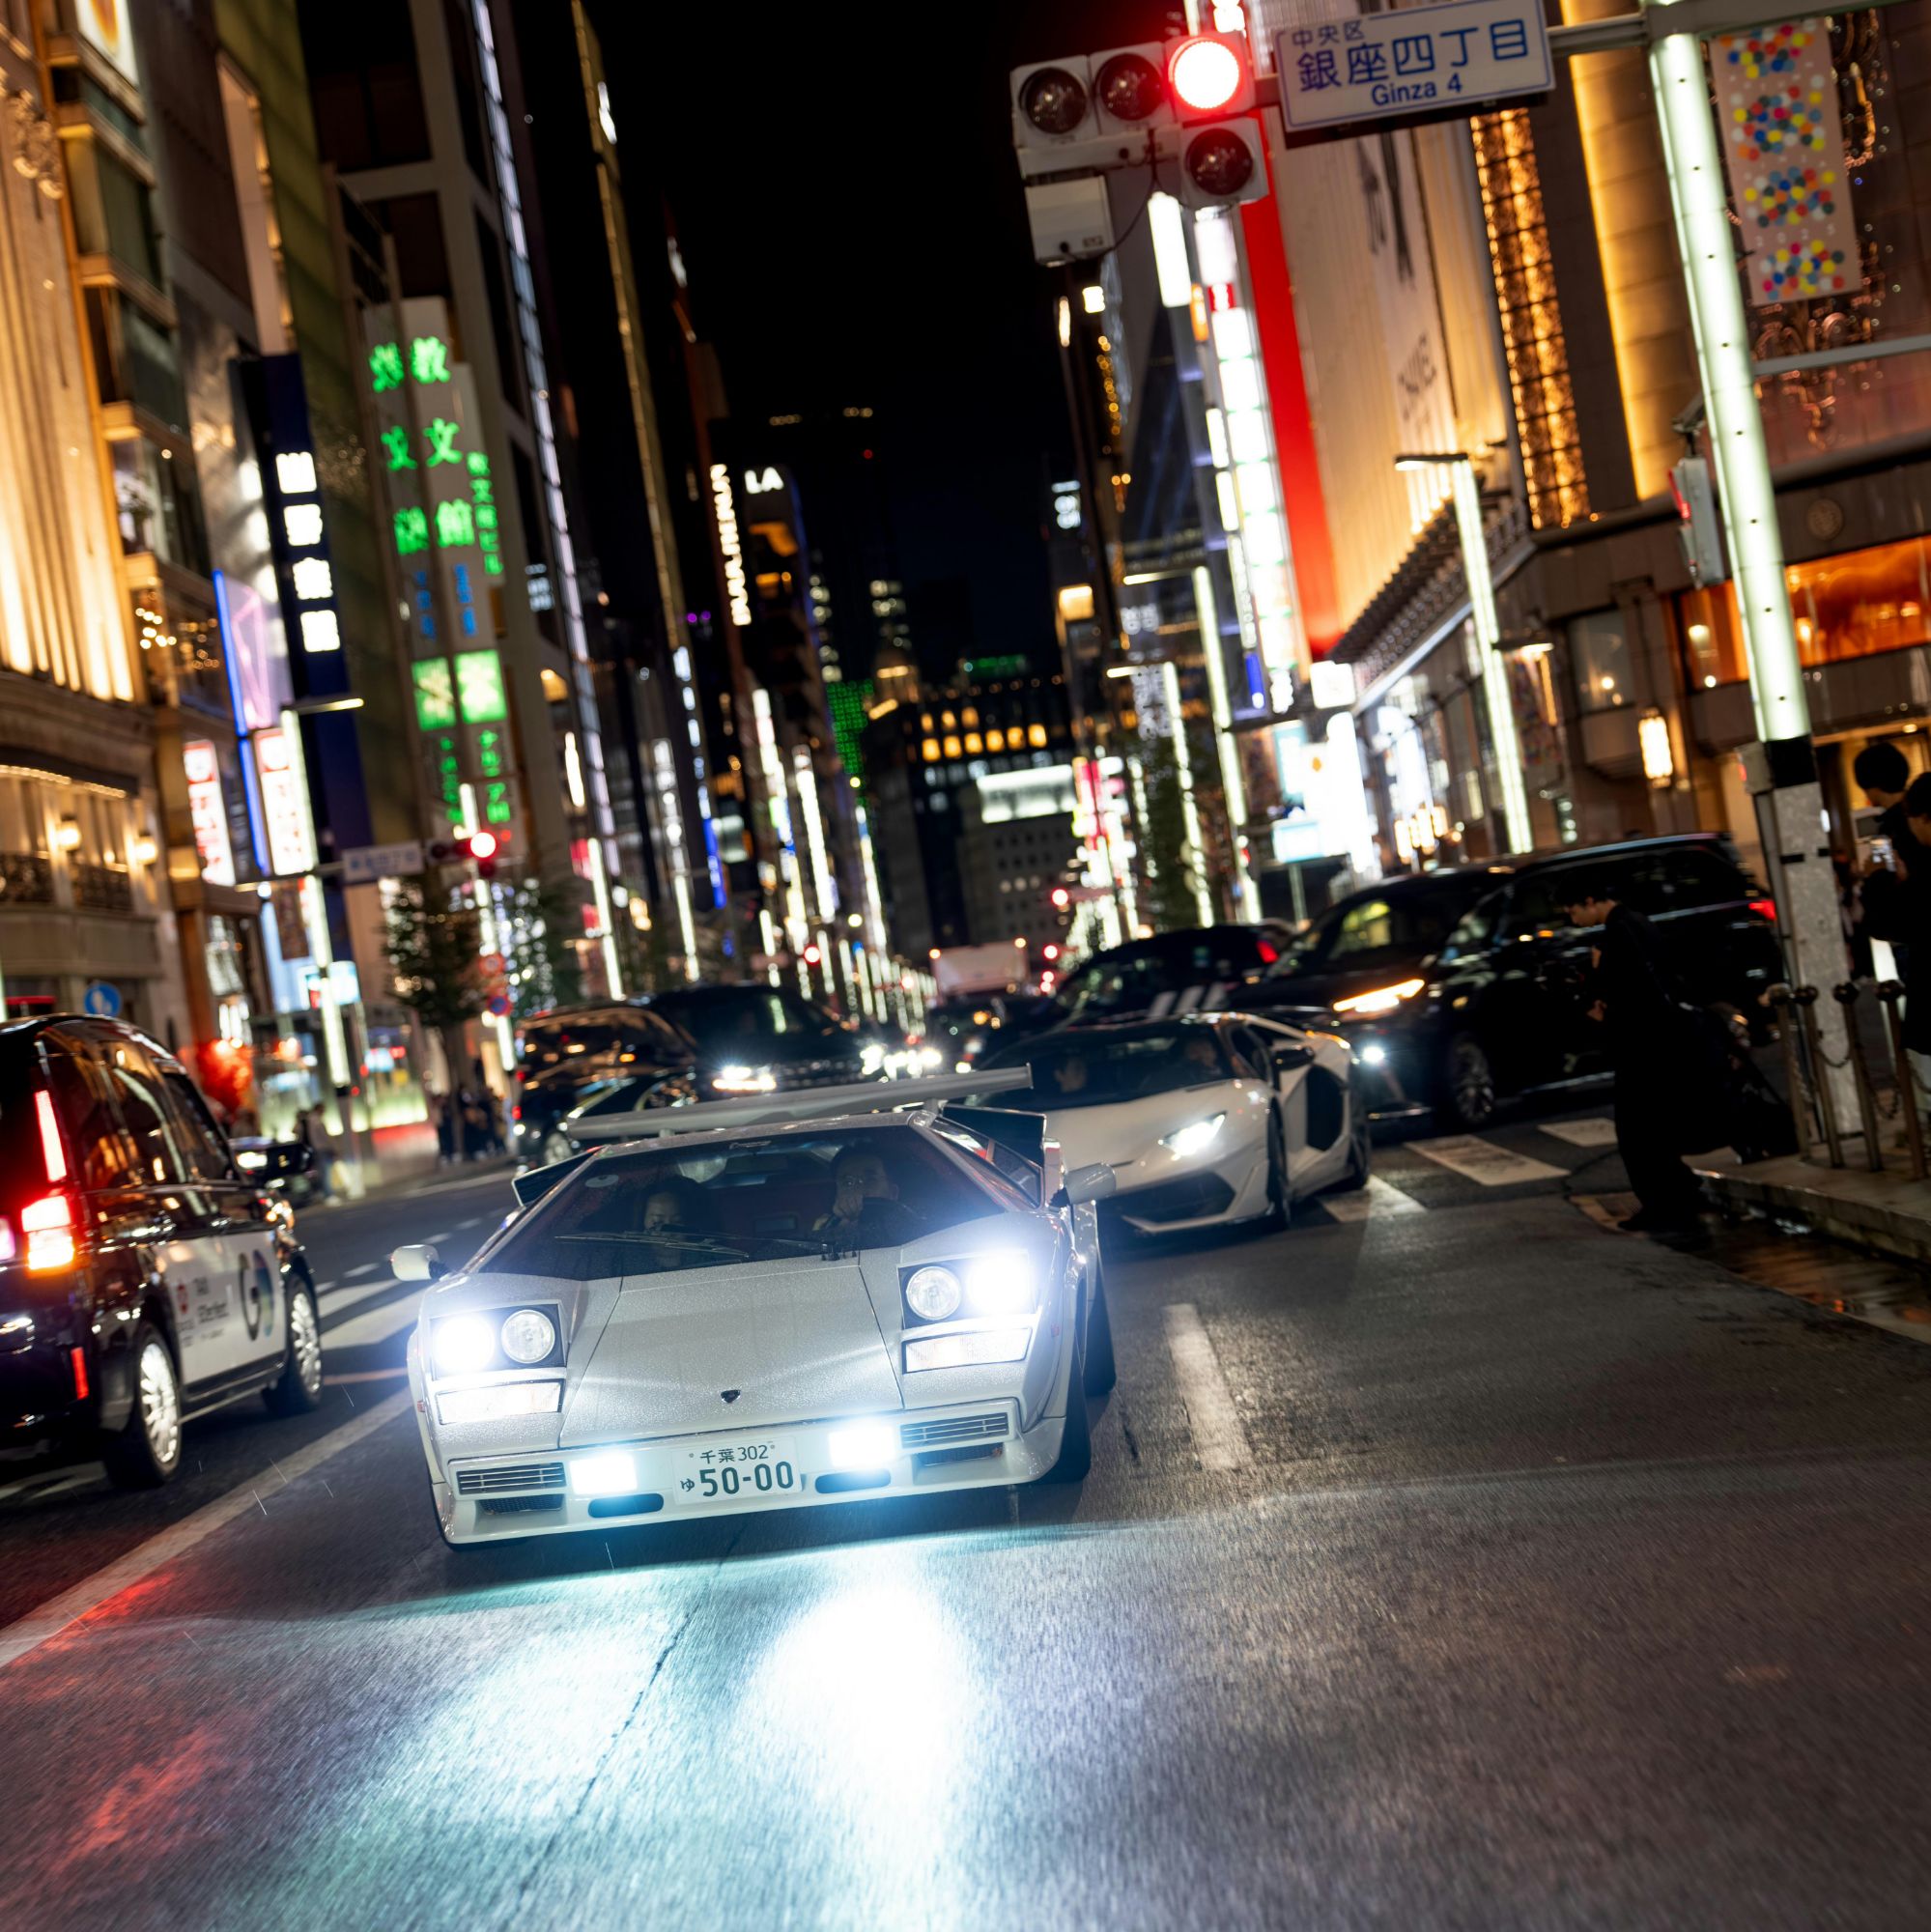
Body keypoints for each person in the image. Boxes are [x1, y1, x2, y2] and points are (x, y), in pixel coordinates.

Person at [1561, 873, 1723, 1234]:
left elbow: (1622, 993)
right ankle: (1681, 1190)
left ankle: (1662, 1204)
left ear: (1590, 901)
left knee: (1637, 1132)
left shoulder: (1618, 934)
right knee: (1656, 1126)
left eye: (1573, 911)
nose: (1573, 920)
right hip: (1662, 1040)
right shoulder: (1638, 923)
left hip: (1641, 1044)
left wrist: (1595, 983)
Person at [816, 1145, 922, 1246]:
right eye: (847, 1183)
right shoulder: (826, 1228)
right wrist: (833, 1232)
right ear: (836, 1195)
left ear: (893, 1192)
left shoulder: (914, 1224)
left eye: (870, 1179)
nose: (858, 1191)